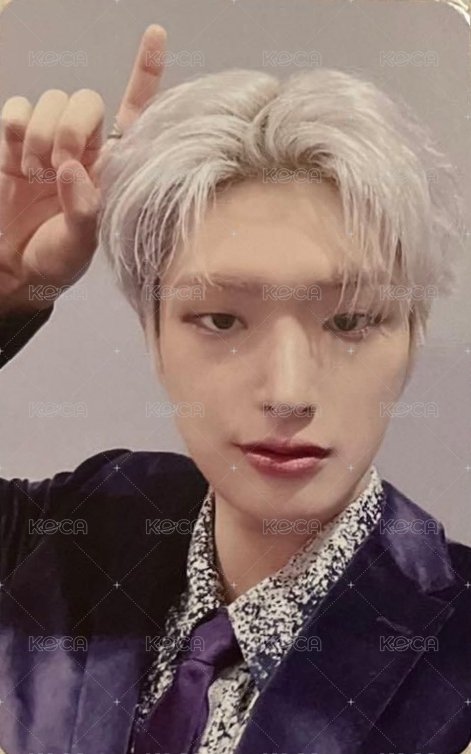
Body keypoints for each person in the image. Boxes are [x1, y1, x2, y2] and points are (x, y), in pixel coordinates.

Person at [0, 21, 470, 754]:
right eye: (221, 319)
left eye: (350, 320)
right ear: (153, 333)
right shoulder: (85, 525)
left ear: (411, 336)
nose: (288, 392)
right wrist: (7, 289)